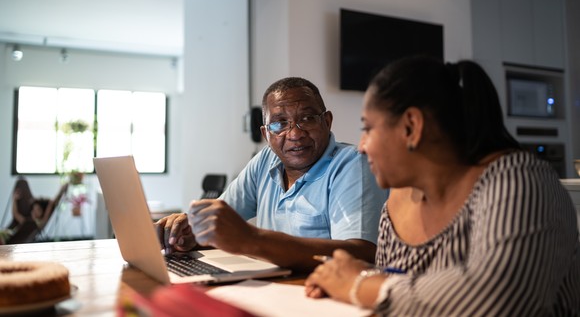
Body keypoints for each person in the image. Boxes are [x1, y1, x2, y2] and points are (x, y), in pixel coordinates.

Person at [305, 56, 580, 315]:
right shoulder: (398, 200)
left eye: (367, 128)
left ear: (411, 127)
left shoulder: (521, 182)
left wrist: (359, 285)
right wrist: (343, 281)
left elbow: (494, 299)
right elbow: (400, 297)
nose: (361, 147)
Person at [156, 77, 389, 272]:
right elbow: (220, 226)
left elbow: (362, 254)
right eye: (280, 123)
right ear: (266, 134)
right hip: (272, 287)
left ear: (327, 122)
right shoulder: (267, 160)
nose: (295, 133)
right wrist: (189, 235)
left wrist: (253, 240)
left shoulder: (352, 164)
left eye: (307, 119)